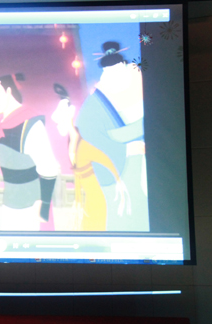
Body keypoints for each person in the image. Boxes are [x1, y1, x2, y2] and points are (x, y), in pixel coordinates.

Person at [76, 41, 149, 231]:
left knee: (143, 208)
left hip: (142, 164)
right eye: (109, 70)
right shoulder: (96, 102)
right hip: (119, 168)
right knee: (122, 212)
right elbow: (89, 135)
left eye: (118, 68)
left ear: (124, 65)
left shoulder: (140, 86)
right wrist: (126, 148)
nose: (114, 73)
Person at [51, 84, 129, 231]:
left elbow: (105, 159)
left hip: (96, 201)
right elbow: (79, 176)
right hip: (88, 200)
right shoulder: (71, 142)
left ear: (70, 113)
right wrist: (78, 202)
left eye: (60, 113)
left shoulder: (83, 143)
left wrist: (120, 184)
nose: (55, 119)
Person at [0, 73, 60, 230]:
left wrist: (44, 203)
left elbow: (48, 166)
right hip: (10, 202)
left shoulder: (30, 124)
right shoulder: (2, 125)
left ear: (9, 91)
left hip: (30, 204)